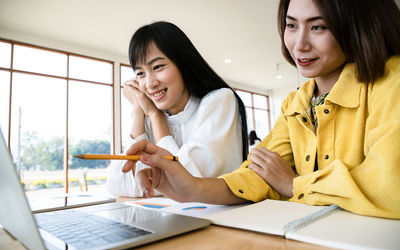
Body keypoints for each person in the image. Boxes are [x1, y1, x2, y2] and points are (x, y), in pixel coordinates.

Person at [121, 0, 400, 219]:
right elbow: (258, 174)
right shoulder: (296, 103)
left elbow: (388, 185)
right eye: (291, 25)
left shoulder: (392, 81)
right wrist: (192, 188)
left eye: (318, 27)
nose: (299, 44)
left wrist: (294, 186)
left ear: (356, 26)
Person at [107, 21, 248, 197]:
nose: (150, 83)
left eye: (157, 67)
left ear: (183, 63)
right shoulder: (147, 113)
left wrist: (155, 117)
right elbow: (118, 184)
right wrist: (138, 110)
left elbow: (191, 183)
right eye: (140, 74)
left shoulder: (219, 101)